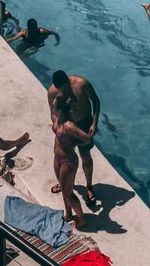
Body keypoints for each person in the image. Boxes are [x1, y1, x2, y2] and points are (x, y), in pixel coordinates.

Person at [47, 70, 100, 207]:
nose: (63, 91)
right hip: (66, 125)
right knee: (62, 157)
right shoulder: (52, 92)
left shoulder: (81, 84)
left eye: (64, 87)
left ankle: (89, 187)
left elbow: (95, 101)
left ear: (68, 81)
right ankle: (64, 183)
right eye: (60, 89)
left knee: (85, 155)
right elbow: (52, 113)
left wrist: (94, 122)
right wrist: (60, 126)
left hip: (84, 123)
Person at [50, 95, 92, 227]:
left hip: (68, 161)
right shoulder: (58, 119)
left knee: (69, 193)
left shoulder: (69, 125)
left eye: (54, 104)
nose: (52, 104)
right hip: (57, 158)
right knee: (64, 189)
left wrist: (73, 144)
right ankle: (68, 214)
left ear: (60, 109)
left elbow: (87, 138)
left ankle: (81, 219)